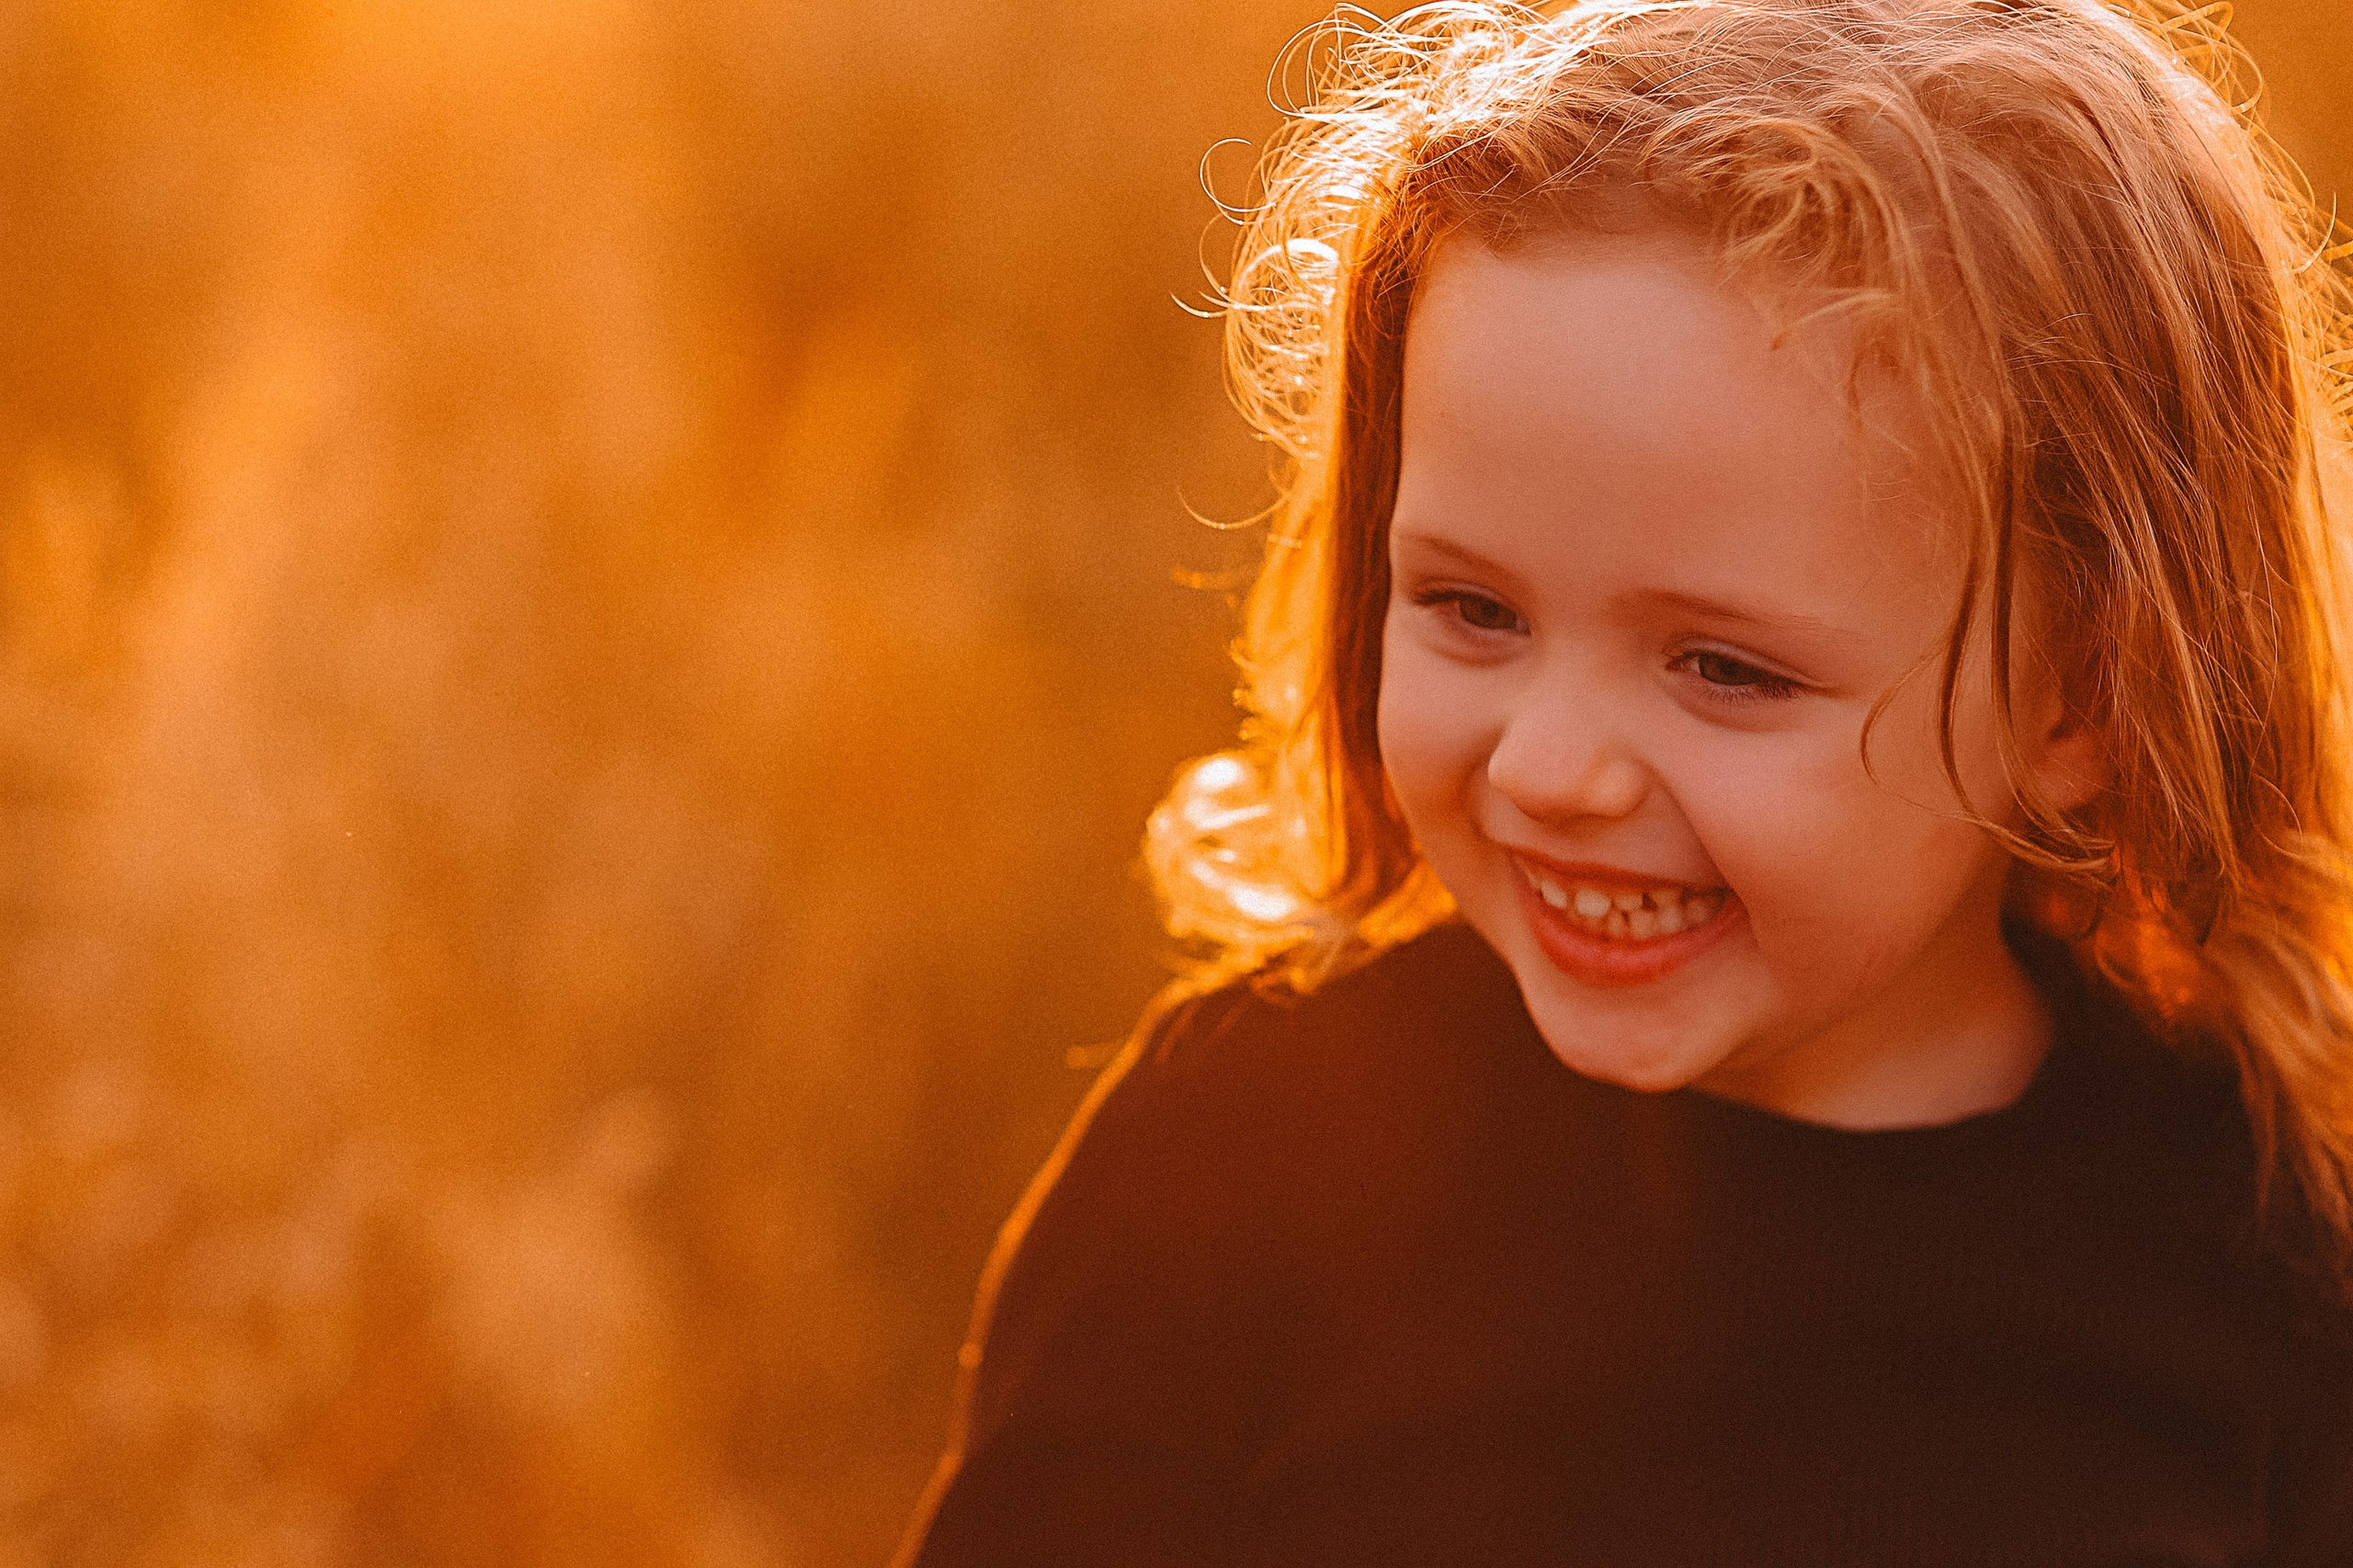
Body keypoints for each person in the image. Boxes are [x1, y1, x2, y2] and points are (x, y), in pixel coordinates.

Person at [895, 1, 2353, 1562]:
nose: (1551, 769)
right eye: (1473, 608)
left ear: (2085, 695)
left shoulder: (2268, 1261)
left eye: (1724, 667)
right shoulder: (1246, 1159)